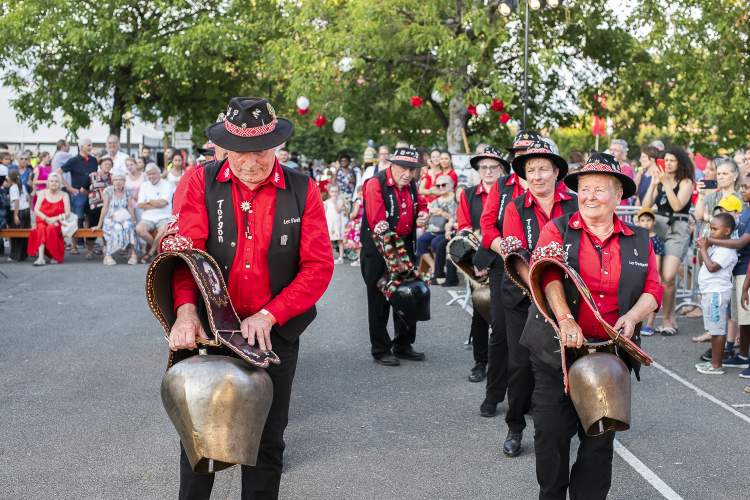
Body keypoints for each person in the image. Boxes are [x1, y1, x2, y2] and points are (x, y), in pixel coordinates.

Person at [168, 97, 333, 499]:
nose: (249, 162)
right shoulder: (198, 181)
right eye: (239, 152)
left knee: (266, 442)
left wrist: (271, 314)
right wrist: (186, 312)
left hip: (271, 332)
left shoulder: (303, 189)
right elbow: (186, 253)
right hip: (208, 327)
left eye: (259, 151)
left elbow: (318, 267)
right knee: (199, 441)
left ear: (276, 146)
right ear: (225, 147)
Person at [526, 152, 662, 500]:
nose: (589, 196)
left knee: (598, 445)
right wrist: (565, 317)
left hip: (609, 357)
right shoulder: (556, 228)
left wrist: (632, 317)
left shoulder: (640, 239)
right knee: (552, 435)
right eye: (584, 188)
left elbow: (653, 289)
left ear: (619, 196)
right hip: (556, 351)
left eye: (600, 189)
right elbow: (548, 275)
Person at [498, 141, 578, 457]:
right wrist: (539, 290)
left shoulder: (573, 204)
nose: (537, 175)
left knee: (566, 362)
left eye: (543, 168)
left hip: (565, 297)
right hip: (522, 296)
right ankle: (515, 426)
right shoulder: (515, 207)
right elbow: (515, 255)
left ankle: (568, 423)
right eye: (531, 170)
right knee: (519, 366)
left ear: (557, 171)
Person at [477, 130, 539, 418]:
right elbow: (488, 224)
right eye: (519, 152)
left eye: (529, 151)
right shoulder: (503, 185)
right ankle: (494, 393)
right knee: (501, 332)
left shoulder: (548, 183)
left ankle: (529, 397)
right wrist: (502, 246)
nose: (524, 156)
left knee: (537, 335)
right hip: (506, 266)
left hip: (540, 270)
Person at [360, 146, 428, 366]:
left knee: (409, 296)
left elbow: (421, 205)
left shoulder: (412, 185)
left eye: (412, 169)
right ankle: (380, 349)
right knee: (379, 299)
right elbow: (378, 222)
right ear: (392, 165)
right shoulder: (375, 184)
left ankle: (403, 345)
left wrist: (423, 214)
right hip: (380, 250)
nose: (408, 173)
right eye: (403, 168)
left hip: (404, 247)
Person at [456, 146, 508, 383]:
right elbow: (464, 228)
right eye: (483, 167)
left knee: (507, 314)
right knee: (479, 311)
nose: (488, 171)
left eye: (493, 167)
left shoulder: (509, 193)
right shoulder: (467, 195)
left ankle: (506, 365)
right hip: (477, 261)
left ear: (502, 169)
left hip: (504, 259)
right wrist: (477, 259)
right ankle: (480, 363)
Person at [641, 147, 694, 336]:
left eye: (672, 160)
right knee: (657, 277)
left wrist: (667, 184)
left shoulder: (686, 182)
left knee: (669, 276)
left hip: (677, 228)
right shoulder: (661, 181)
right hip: (658, 226)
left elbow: (677, 205)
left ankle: (667, 317)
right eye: (666, 160)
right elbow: (645, 206)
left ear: (680, 162)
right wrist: (654, 184)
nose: (668, 163)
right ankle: (666, 317)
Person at [708, 172, 750, 374]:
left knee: (747, 316)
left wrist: (710, 241)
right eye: (742, 187)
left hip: (746, 269)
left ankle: (744, 356)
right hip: (740, 269)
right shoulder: (745, 212)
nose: (743, 190)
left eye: (747, 187)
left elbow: (742, 242)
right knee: (742, 317)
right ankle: (742, 355)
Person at [694, 213, 738, 374]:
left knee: (717, 330)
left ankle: (717, 365)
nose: (711, 232)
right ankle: (714, 362)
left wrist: (705, 248)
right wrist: (702, 250)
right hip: (710, 292)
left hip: (716, 294)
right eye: (710, 228)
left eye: (714, 229)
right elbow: (703, 263)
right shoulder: (717, 248)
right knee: (713, 329)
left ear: (726, 231)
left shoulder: (727, 251)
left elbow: (712, 267)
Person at [59, 137, 99, 256]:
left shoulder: (94, 160)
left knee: (90, 220)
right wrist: (68, 187)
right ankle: (74, 246)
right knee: (77, 220)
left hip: (91, 194)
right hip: (78, 194)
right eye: (89, 145)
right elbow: (58, 172)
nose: (91, 147)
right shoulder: (74, 160)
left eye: (91, 145)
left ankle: (89, 248)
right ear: (81, 147)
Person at [93, 172, 139, 265]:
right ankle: (108, 255)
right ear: (112, 181)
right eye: (116, 180)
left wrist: (134, 220)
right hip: (111, 217)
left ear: (124, 181)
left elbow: (130, 207)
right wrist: (99, 224)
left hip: (124, 216)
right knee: (116, 227)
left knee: (129, 226)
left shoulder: (127, 191)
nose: (118, 182)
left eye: (121, 180)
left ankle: (133, 254)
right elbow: (105, 207)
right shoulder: (108, 191)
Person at [416, 174, 456, 279]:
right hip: (432, 229)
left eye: (443, 185)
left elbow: (456, 218)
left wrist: (443, 213)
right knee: (421, 241)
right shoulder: (435, 201)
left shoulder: (455, 200)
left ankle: (440, 268)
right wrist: (428, 215)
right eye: (438, 186)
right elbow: (426, 216)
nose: (441, 188)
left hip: (447, 231)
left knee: (435, 243)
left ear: (451, 185)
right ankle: (434, 267)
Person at [28, 173, 69, 266]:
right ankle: (40, 258)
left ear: (60, 183)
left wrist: (54, 219)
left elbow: (67, 213)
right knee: (41, 228)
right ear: (48, 182)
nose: (54, 183)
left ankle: (55, 255)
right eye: (52, 181)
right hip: (42, 219)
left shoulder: (64, 195)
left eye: (56, 181)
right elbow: (36, 209)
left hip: (57, 221)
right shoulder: (42, 193)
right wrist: (47, 219)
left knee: (51, 229)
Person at [634, 208, 664, 337]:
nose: (645, 223)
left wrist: (656, 275)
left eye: (648, 220)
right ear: (638, 222)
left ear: (654, 222)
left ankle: (650, 324)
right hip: (638, 272)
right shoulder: (636, 238)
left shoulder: (656, 240)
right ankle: (637, 323)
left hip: (651, 272)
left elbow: (657, 260)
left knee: (652, 298)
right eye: (642, 220)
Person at [136, 163, 173, 262]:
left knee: (163, 230)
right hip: (148, 217)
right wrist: (156, 202)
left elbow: (164, 203)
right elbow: (140, 205)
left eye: (154, 174)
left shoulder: (167, 184)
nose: (151, 176)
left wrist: (149, 201)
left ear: (159, 173)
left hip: (164, 216)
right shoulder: (144, 185)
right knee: (139, 229)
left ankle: (150, 252)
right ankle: (157, 250)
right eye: (149, 174)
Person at [695, 158, 739, 235]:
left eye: (725, 174)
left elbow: (729, 223)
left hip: (727, 243)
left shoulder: (740, 197)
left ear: (735, 176)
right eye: (718, 174)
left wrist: (709, 218)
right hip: (706, 240)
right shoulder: (712, 196)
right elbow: (698, 216)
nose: (720, 177)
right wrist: (701, 194)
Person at [7, 170, 31, 261]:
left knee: (16, 234)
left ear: (9, 178)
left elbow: (16, 201)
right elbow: (28, 197)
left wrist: (15, 214)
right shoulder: (22, 185)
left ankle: (15, 256)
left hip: (18, 211)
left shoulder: (13, 187)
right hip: (25, 210)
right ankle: (23, 254)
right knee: (24, 233)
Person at [324, 183, 348, 264]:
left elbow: (338, 210)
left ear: (338, 192)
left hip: (338, 224)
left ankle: (341, 257)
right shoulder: (326, 202)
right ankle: (330, 257)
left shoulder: (340, 201)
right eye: (332, 192)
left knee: (339, 241)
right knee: (329, 241)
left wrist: (334, 202)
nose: (334, 193)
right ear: (329, 192)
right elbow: (324, 213)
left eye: (336, 192)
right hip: (330, 224)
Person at [345, 185, 364, 266]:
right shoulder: (366, 201)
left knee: (356, 242)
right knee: (361, 242)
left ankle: (359, 260)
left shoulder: (358, 201)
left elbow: (354, 214)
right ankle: (361, 259)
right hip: (363, 222)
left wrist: (350, 215)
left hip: (357, 224)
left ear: (358, 193)